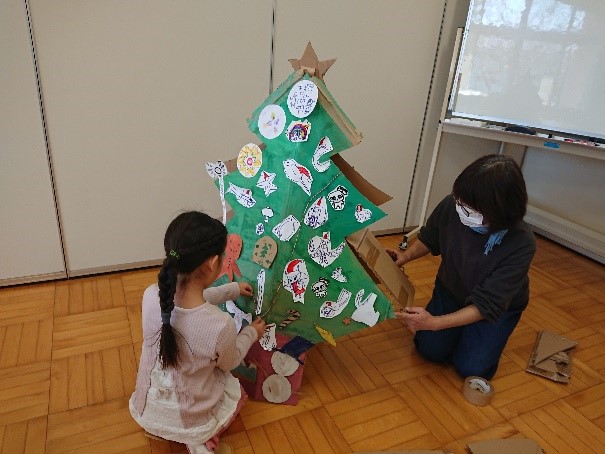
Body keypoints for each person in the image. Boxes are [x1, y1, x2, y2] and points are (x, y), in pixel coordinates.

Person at [387, 154, 536, 380]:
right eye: (460, 202)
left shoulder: (521, 243)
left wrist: (435, 323)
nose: (461, 210)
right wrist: (404, 256)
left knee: (472, 368)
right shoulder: (453, 205)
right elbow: (430, 237)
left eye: (471, 209)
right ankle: (460, 331)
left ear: (499, 212)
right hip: (452, 289)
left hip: (494, 307)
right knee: (429, 349)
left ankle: (475, 333)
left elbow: (487, 304)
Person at [129, 211, 266, 454]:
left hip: (146, 410)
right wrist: (251, 333)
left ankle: (173, 432)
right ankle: (201, 442)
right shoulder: (219, 324)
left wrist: (231, 290)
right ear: (213, 263)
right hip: (191, 421)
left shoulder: (151, 296)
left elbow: (193, 302)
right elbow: (231, 362)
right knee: (234, 389)